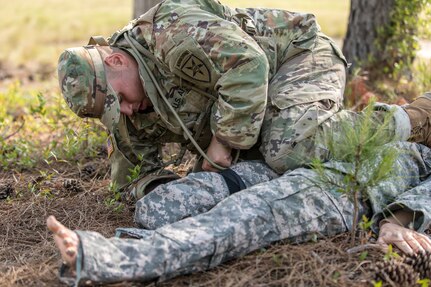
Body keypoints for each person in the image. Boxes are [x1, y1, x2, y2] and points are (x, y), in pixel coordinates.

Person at [53, 0, 431, 285]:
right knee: (170, 202)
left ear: (117, 60)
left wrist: (223, 141)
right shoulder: (129, 110)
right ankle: (315, 129)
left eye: (119, 100)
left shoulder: (169, 32)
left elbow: (249, 65)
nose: (127, 112)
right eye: (113, 111)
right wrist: (178, 189)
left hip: (295, 57)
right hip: (258, 111)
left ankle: (412, 117)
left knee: (287, 148)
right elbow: (133, 177)